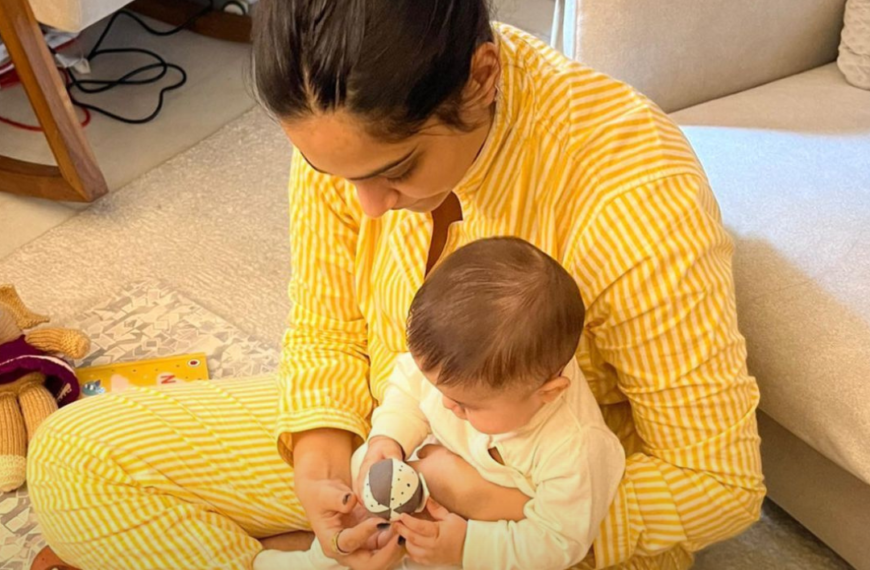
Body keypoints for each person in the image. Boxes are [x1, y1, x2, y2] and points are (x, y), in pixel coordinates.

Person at [27, 1, 765, 569]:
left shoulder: (633, 194)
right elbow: (326, 325)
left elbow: (720, 484)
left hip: (544, 498)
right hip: (395, 430)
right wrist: (323, 458)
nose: (364, 206)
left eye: (396, 171)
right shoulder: (339, 122)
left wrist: (486, 517)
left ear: (482, 79)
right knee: (71, 460)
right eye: (331, 173)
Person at [254, 237, 626, 570]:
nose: (446, 405)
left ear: (549, 392)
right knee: (362, 467)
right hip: (418, 481)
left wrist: (466, 546)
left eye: (466, 405)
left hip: (478, 535)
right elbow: (408, 388)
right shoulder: (461, 369)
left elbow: (558, 542)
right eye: (438, 387)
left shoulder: (575, 447)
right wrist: (389, 439)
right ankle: (322, 557)